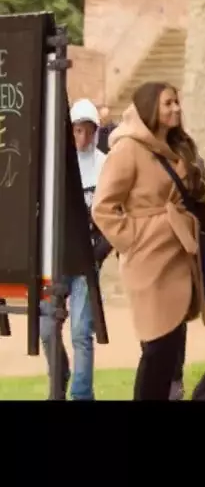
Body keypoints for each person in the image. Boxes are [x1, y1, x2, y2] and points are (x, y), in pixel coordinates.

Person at [92, 83, 205, 401]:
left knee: (171, 350)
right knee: (156, 348)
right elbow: (103, 208)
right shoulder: (128, 149)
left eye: (177, 102)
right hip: (149, 263)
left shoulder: (177, 146)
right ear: (150, 108)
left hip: (178, 257)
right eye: (168, 103)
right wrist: (135, 239)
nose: (176, 108)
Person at [38, 98, 108, 400]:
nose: (83, 137)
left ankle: (82, 394)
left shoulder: (104, 165)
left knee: (81, 332)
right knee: (46, 328)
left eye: (88, 130)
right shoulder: (57, 166)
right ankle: (59, 374)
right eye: (77, 130)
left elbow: (113, 215)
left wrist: (99, 252)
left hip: (86, 262)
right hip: (57, 259)